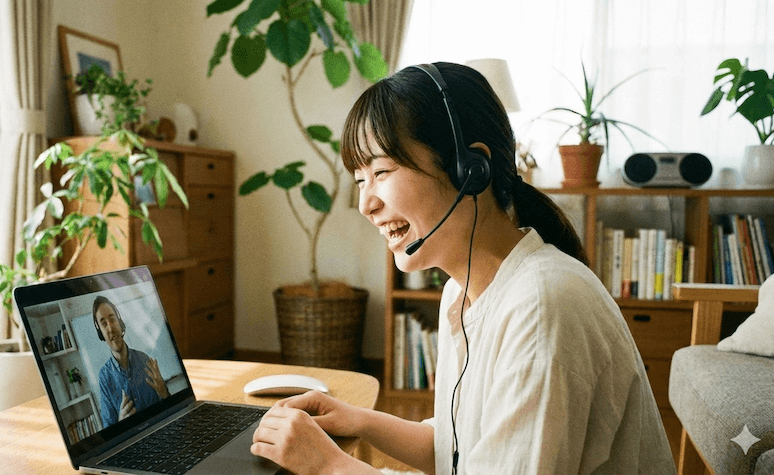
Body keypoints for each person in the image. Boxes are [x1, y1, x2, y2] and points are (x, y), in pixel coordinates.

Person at [250, 62, 676, 474]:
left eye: (381, 171)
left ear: (471, 169)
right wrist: (358, 419)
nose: (366, 204)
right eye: (361, 180)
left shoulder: (544, 306)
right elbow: (462, 449)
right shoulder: (463, 291)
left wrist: (329, 467)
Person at [93, 295, 169, 428]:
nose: (110, 328)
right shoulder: (104, 377)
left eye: (112, 319)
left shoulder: (145, 359)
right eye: (104, 323)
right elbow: (109, 431)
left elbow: (169, 409)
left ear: (120, 322)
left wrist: (165, 393)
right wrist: (121, 422)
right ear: (101, 333)